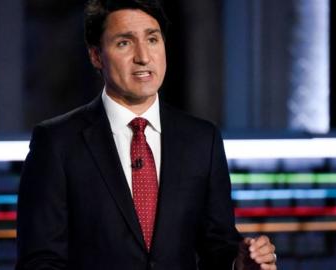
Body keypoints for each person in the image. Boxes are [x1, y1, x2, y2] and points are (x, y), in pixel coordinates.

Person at [16, 0, 277, 269]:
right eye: (124, 43)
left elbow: (217, 246)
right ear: (96, 56)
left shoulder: (202, 140)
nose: (143, 56)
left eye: (152, 39)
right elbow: (40, 261)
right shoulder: (57, 142)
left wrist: (240, 264)